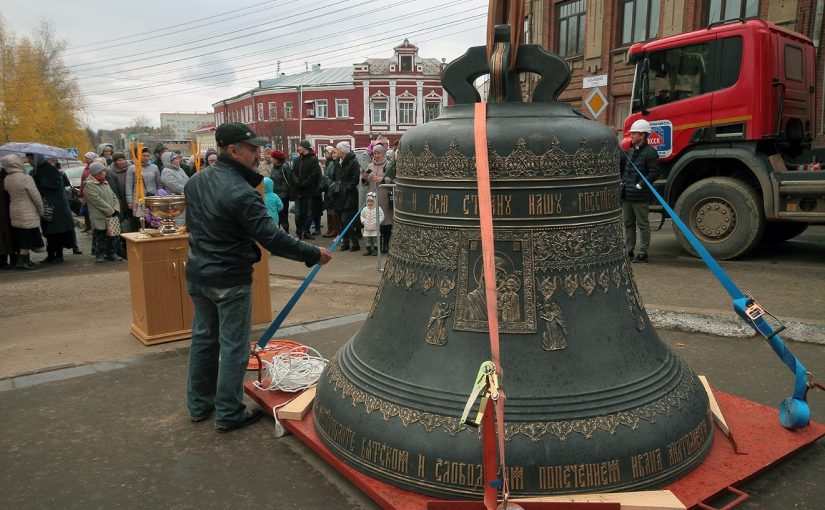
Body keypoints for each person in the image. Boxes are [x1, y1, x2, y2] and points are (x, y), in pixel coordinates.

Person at [184, 122, 332, 432]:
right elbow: (272, 238)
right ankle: (228, 413)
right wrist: (312, 254)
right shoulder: (241, 191)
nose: (258, 154)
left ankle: (199, 405)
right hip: (229, 279)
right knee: (234, 346)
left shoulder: (195, 181)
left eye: (258, 148)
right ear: (232, 150)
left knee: (203, 341)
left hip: (199, 274)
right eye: (252, 149)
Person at [620, 119, 660, 263]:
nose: (631, 136)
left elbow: (654, 172)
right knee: (628, 224)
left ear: (643, 135)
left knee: (643, 224)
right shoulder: (630, 151)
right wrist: (622, 182)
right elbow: (626, 171)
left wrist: (641, 185)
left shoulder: (651, 152)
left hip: (640, 196)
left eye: (634, 133)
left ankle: (643, 252)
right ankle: (629, 250)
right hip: (627, 195)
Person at [1, 154, 44, 269]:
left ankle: (26, 260)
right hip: (27, 210)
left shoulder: (7, 179)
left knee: (21, 237)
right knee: (27, 237)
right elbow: (35, 196)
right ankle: (22, 260)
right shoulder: (26, 178)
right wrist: (41, 211)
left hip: (14, 210)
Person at [30, 154, 74, 264]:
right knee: (49, 232)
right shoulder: (36, 171)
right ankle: (50, 255)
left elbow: (56, 184)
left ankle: (58, 255)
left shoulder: (50, 170)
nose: (28, 161)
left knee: (57, 232)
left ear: (36, 159)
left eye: (30, 158)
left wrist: (40, 182)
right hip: (47, 206)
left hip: (56, 207)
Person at [84, 162, 122, 263]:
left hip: (111, 214)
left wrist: (116, 208)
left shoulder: (105, 182)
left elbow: (114, 196)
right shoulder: (89, 185)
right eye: (100, 173)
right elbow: (97, 201)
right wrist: (110, 211)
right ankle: (99, 254)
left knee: (112, 235)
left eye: (103, 172)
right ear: (94, 174)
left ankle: (112, 253)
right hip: (99, 216)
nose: (103, 174)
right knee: (100, 235)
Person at [362, 144, 395, 253]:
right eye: (375, 153)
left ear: (383, 153)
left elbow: (395, 180)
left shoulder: (389, 165)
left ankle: (385, 244)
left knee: (386, 221)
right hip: (372, 197)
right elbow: (364, 183)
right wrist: (364, 179)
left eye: (379, 153)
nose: (376, 155)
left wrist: (383, 179)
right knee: (374, 220)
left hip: (384, 196)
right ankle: (376, 245)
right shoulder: (370, 166)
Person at [126, 147, 162, 230]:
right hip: (138, 198)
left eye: (148, 156)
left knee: (153, 220)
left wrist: (160, 196)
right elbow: (129, 185)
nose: (146, 158)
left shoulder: (154, 167)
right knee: (140, 220)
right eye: (144, 155)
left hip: (152, 198)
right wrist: (130, 201)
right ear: (138, 155)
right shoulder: (132, 168)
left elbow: (159, 184)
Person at [292, 140, 322, 240]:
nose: (298, 148)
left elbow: (314, 174)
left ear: (305, 147)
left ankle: (306, 232)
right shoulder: (296, 160)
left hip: (309, 191)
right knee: (298, 214)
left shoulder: (313, 159)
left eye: (299, 146)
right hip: (298, 191)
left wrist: (304, 183)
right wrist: (297, 182)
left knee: (309, 213)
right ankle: (299, 232)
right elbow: (293, 172)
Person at [334, 141, 360, 251]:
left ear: (342, 151)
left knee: (346, 219)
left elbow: (355, 178)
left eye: (338, 149)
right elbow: (335, 176)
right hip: (339, 193)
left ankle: (355, 243)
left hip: (349, 194)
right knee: (340, 219)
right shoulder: (338, 162)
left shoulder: (353, 162)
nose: (336, 152)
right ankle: (345, 243)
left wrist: (347, 187)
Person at [0, 158, 18, 269]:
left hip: (9, 210)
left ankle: (11, 259)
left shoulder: (7, 176)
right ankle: (6, 260)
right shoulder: (7, 176)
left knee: (10, 235)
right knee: (8, 236)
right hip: (8, 210)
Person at [269, 150, 292, 233]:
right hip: (274, 195)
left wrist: (291, 194)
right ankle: (277, 234)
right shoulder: (273, 167)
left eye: (272, 157)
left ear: (276, 159)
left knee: (283, 216)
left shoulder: (285, 167)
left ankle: (287, 234)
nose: (270, 158)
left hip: (283, 195)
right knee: (276, 216)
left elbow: (290, 181)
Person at [322, 146, 340, 238]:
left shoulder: (339, 164)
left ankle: (335, 229)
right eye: (333, 153)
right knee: (329, 209)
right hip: (329, 189)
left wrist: (334, 185)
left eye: (336, 153)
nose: (334, 155)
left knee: (334, 210)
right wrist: (330, 184)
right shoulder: (330, 164)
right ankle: (330, 229)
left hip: (337, 191)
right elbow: (326, 176)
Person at [359, 192, 384, 256]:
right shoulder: (364, 209)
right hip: (367, 228)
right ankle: (368, 249)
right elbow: (362, 216)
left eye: (372, 201)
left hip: (375, 228)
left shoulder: (378, 209)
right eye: (368, 201)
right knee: (368, 240)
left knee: (375, 240)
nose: (370, 203)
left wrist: (379, 221)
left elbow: (381, 215)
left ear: (375, 201)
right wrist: (363, 221)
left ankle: (376, 249)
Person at [79, 151, 98, 232]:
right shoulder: (86, 168)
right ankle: (88, 226)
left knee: (93, 210)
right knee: (86, 210)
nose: (86, 160)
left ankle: (95, 226)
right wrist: (81, 190)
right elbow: (82, 179)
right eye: (86, 158)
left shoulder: (96, 167)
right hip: (86, 191)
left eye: (87, 158)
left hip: (94, 190)